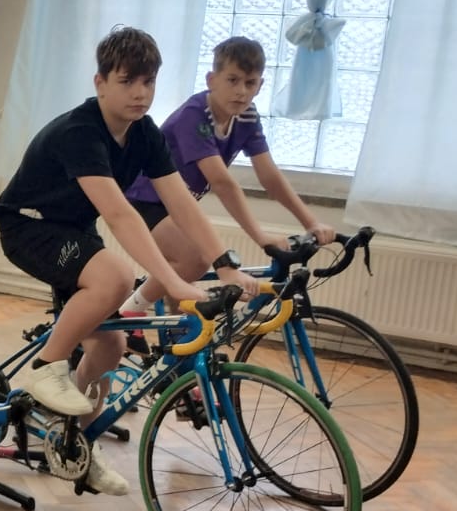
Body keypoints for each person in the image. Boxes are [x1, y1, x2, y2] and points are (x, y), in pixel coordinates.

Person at [0, 26, 258, 496]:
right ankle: (45, 368)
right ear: (100, 83)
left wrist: (225, 263)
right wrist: (173, 282)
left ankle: (72, 442)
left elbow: (181, 202)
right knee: (116, 276)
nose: (140, 93)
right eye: (127, 81)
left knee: (110, 348)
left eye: (148, 82)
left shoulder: (144, 134)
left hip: (73, 231)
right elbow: (119, 214)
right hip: (27, 225)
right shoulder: (80, 131)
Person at [120, 36, 336, 313]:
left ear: (260, 86)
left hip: (180, 204)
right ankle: (131, 308)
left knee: (188, 299)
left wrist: (311, 222)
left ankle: (177, 336)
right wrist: (260, 237)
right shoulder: (194, 115)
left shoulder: (247, 116)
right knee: (195, 259)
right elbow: (222, 183)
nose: (241, 92)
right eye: (232, 80)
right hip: (144, 199)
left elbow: (270, 176)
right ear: (212, 80)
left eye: (250, 83)